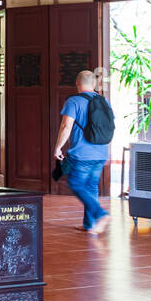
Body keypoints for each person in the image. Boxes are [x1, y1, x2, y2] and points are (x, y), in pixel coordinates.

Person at [53, 69, 113, 234]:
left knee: (77, 184)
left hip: (82, 154)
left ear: (77, 84)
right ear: (94, 84)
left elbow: (66, 126)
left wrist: (58, 147)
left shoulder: (73, 101)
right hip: (101, 152)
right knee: (91, 187)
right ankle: (89, 224)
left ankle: (100, 214)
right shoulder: (103, 101)